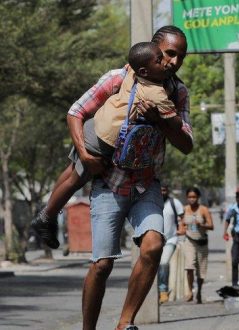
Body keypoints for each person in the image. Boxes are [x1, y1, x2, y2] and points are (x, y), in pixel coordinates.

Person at [64, 25, 193, 330]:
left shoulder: (178, 93)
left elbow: (186, 144)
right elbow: (76, 111)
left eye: (180, 57)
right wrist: (84, 154)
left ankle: (124, 323)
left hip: (147, 183)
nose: (173, 62)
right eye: (168, 54)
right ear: (153, 50)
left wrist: (161, 120)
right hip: (109, 183)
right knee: (102, 264)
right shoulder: (118, 78)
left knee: (152, 246)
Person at [31, 41, 180, 249]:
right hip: (103, 140)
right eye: (162, 57)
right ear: (146, 67)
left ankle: (48, 214)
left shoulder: (132, 73)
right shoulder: (154, 90)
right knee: (76, 178)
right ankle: (45, 218)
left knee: (72, 173)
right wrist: (171, 120)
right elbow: (174, 121)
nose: (168, 62)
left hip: (96, 127)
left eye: (178, 57)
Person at [179, 187, 214, 304]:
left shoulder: (203, 210)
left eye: (194, 197)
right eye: (189, 197)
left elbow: (211, 226)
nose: (192, 199)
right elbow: (182, 225)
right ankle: (190, 291)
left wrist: (202, 225)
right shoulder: (184, 210)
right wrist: (180, 230)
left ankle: (199, 291)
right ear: (187, 198)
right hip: (189, 241)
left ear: (198, 198)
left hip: (202, 242)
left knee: (201, 270)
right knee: (189, 266)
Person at [158, 184, 185, 304]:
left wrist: (182, 228)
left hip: (170, 239)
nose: (162, 192)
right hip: (155, 240)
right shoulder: (152, 202)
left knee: (164, 263)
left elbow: (183, 218)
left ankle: (163, 290)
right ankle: (155, 292)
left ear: (167, 191)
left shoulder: (174, 203)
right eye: (160, 190)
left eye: (164, 190)